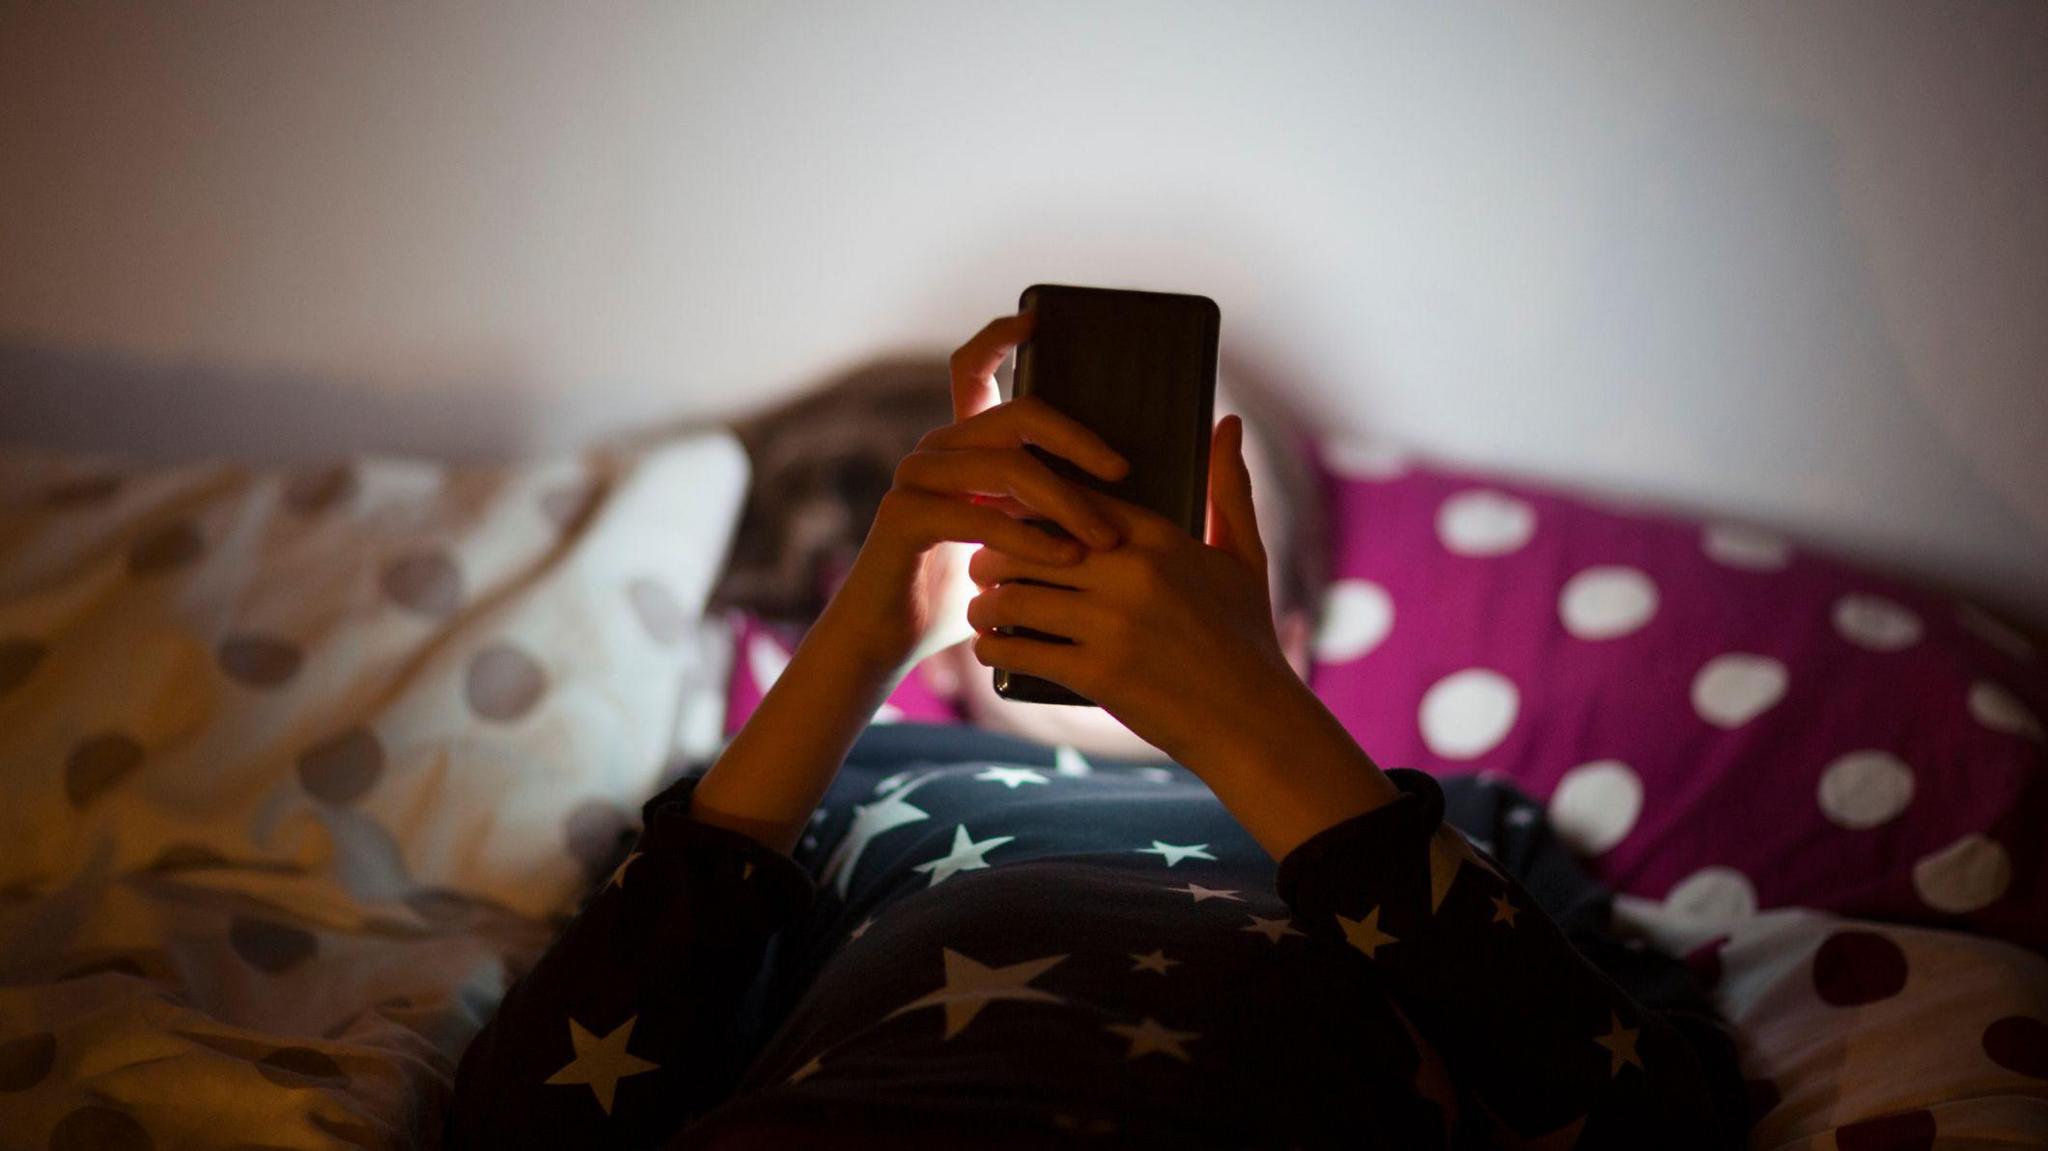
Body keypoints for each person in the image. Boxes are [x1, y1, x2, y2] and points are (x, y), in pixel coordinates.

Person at [446, 313, 1751, 1149]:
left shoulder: (1452, 825)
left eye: (1185, 539)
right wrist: (863, 638)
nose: (1106, 551)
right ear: (956, 639)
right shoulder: (827, 788)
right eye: (1043, 523)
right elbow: (523, 1128)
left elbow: (1657, 1134)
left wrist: (1255, 727)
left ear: (1289, 637)